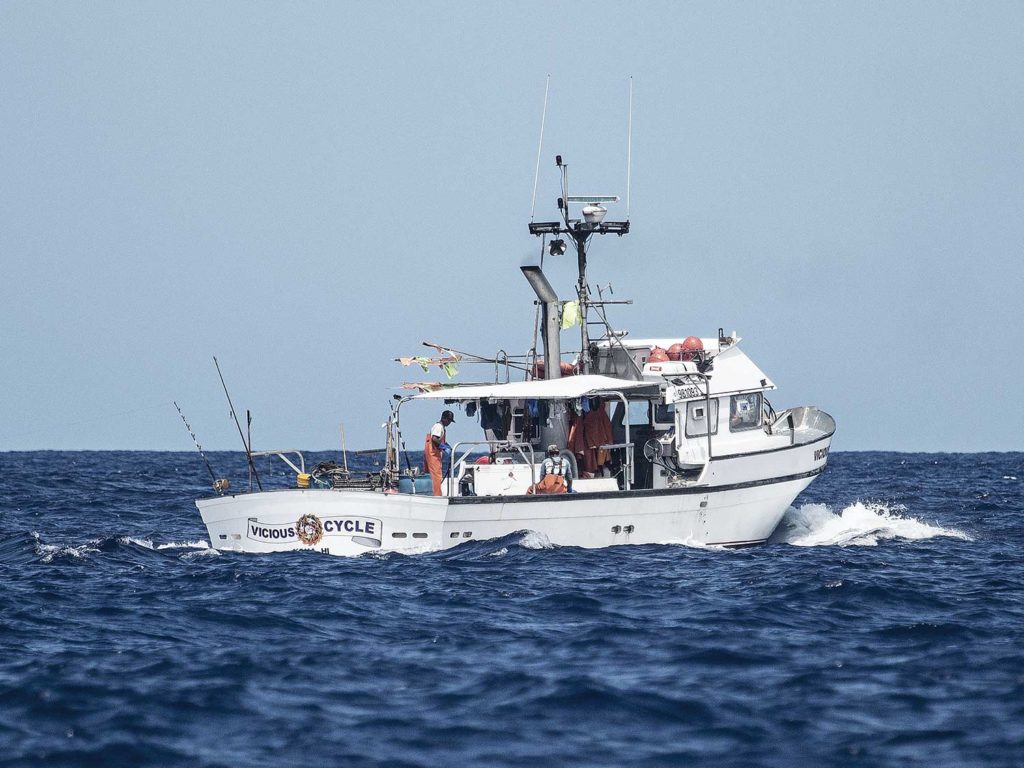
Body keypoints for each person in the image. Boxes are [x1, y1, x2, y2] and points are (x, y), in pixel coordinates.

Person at [424, 410, 455, 496]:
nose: (449, 423)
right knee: (437, 476)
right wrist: (444, 447)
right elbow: (434, 439)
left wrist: (447, 446)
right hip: (433, 454)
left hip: (434, 453)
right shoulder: (438, 427)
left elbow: (440, 440)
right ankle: (437, 495)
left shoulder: (441, 428)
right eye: (448, 420)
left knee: (434, 475)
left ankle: (433, 493)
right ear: (444, 418)